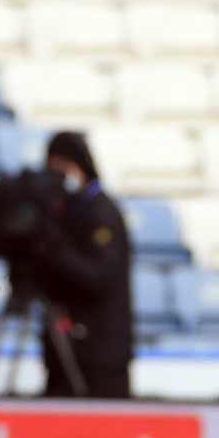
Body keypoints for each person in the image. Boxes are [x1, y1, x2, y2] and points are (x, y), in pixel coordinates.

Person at [38, 132, 132, 398]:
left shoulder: (101, 212)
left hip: (101, 356)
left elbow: (99, 278)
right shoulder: (63, 211)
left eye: (63, 167)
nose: (58, 176)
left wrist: (55, 248)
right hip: (65, 351)